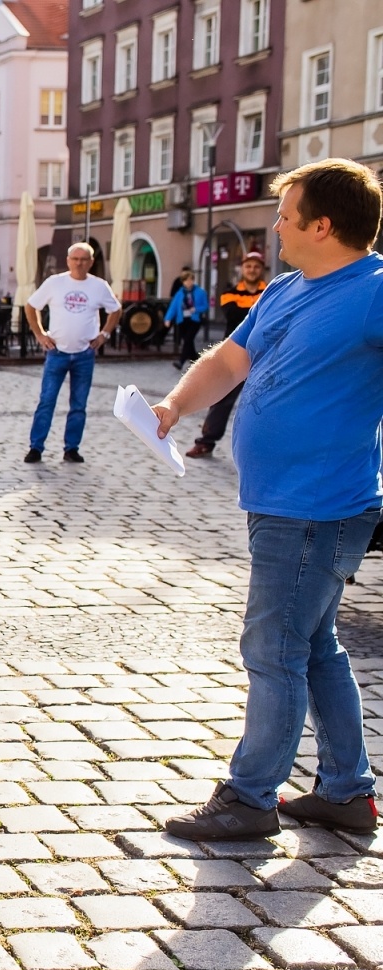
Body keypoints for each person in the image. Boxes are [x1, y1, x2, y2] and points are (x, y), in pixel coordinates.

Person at [152, 158, 383, 840]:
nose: (276, 226)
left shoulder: (373, 291)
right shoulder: (285, 288)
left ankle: (251, 797)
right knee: (314, 645)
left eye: (285, 216)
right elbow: (229, 360)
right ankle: (346, 791)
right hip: (281, 500)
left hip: (319, 504)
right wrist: (174, 406)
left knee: (272, 646)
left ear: (323, 225)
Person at [22, 243, 121, 463]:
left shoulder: (99, 286)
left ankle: (71, 448)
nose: (79, 263)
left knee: (79, 405)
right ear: (68, 261)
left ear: (91, 262)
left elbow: (115, 310)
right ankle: (36, 447)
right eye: (75, 259)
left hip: (85, 354)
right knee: (47, 401)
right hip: (57, 352)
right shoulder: (55, 283)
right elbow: (31, 306)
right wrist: (40, 334)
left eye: (84, 259)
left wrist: (104, 334)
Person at [186, 251, 269, 458]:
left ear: (262, 269)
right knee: (221, 398)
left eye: (256, 266)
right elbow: (233, 315)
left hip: (265, 356)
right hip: (236, 355)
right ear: (242, 269)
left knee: (266, 403)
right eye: (248, 266)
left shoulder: (270, 291)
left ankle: (265, 449)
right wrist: (260, 313)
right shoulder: (229, 292)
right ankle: (206, 441)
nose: (252, 270)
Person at [164, 269, 206, 368]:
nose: (189, 282)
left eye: (191, 280)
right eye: (186, 280)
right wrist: (168, 318)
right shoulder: (179, 293)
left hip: (194, 320)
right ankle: (196, 361)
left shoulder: (200, 292)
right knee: (189, 342)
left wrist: (196, 309)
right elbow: (173, 307)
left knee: (188, 340)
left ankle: (181, 362)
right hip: (182, 320)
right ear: (183, 282)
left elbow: (205, 306)